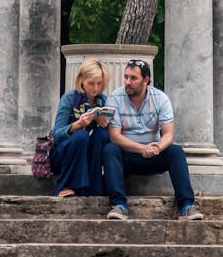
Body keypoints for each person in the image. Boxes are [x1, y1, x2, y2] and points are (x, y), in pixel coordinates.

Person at [103, 58, 203, 220]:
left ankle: (186, 206)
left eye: (133, 78)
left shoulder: (160, 98)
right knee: (110, 149)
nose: (128, 82)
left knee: (176, 151)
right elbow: (115, 136)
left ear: (146, 80)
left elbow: (168, 134)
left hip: (153, 155)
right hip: (128, 155)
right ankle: (118, 205)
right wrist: (141, 148)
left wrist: (157, 147)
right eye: (126, 77)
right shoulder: (115, 98)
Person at [49, 57, 112, 198]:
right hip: (63, 154)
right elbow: (56, 135)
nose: (95, 88)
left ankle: (94, 186)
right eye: (91, 83)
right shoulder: (69, 98)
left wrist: (105, 123)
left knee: (102, 134)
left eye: (99, 84)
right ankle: (66, 185)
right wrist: (77, 125)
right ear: (82, 80)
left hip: (86, 154)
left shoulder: (103, 100)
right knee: (81, 136)